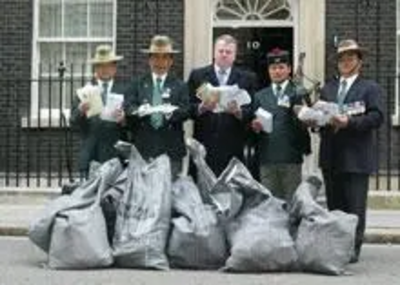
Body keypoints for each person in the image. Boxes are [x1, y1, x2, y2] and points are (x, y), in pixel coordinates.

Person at [318, 39, 383, 263]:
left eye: (350, 58)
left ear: (359, 62)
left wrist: (350, 122)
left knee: (354, 207)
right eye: (342, 59)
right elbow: (322, 119)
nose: (345, 62)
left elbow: (376, 117)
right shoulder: (328, 88)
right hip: (331, 155)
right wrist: (314, 120)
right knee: (335, 206)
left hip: (356, 157)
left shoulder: (370, 88)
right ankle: (337, 245)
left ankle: (353, 249)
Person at [187, 34, 258, 177]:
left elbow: (253, 109)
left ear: (234, 55)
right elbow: (187, 106)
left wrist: (239, 112)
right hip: (204, 143)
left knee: (231, 193)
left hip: (234, 146)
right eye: (221, 51)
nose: (224, 55)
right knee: (203, 192)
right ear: (214, 52)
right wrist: (201, 108)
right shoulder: (198, 75)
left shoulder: (247, 78)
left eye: (228, 52)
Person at [124, 35, 190, 178]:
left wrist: (171, 113)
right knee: (144, 194)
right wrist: (139, 111)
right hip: (144, 148)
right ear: (149, 60)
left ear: (171, 61)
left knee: (168, 195)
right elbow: (128, 107)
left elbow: (186, 110)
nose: (160, 62)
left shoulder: (180, 85)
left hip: (171, 149)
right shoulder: (137, 84)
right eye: (156, 57)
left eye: (165, 57)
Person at [251, 48, 311, 201]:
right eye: (273, 68)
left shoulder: (298, 92)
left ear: (289, 69)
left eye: (281, 67)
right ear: (268, 70)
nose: (277, 71)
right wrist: (254, 126)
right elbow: (250, 125)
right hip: (267, 157)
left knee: (291, 203)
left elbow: (308, 122)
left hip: (291, 157)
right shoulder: (259, 96)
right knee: (270, 205)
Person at [70, 45, 126, 180]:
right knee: (90, 197)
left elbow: (134, 123)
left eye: (108, 66)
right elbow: (73, 122)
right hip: (91, 154)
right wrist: (80, 111)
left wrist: (124, 119)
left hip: (116, 154)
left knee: (114, 198)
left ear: (115, 68)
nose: (105, 69)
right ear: (95, 69)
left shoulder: (126, 90)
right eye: (100, 66)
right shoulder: (84, 92)